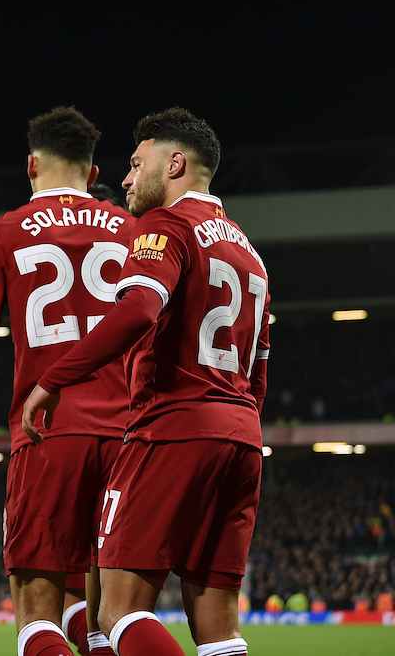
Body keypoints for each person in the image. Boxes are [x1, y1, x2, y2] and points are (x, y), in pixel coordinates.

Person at [23, 108, 270, 656]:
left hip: (174, 430)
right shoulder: (249, 253)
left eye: (137, 164)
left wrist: (55, 378)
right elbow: (259, 371)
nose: (128, 179)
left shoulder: (167, 225)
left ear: (175, 163)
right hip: (242, 439)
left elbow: (138, 309)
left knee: (117, 611)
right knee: (220, 630)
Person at [0, 106, 130, 656]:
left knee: (36, 619)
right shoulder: (136, 230)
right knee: (111, 622)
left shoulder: (4, 232)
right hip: (128, 439)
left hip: (48, 434)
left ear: (31, 166)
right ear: (94, 175)